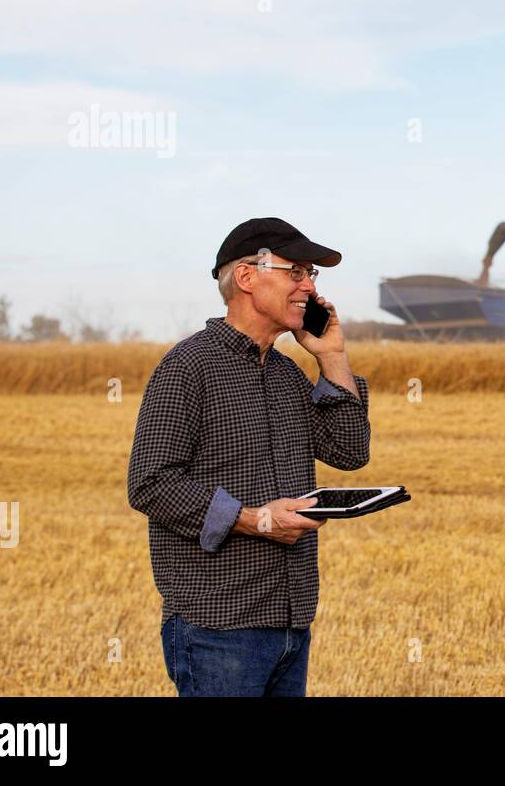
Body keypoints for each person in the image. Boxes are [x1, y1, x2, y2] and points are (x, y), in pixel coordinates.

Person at [128, 217, 371, 696]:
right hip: (218, 627)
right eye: (296, 272)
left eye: (311, 275)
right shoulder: (187, 367)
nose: (308, 287)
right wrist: (254, 519)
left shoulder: (285, 374)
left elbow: (349, 451)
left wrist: (334, 357)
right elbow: (151, 483)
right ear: (246, 277)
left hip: (290, 619)